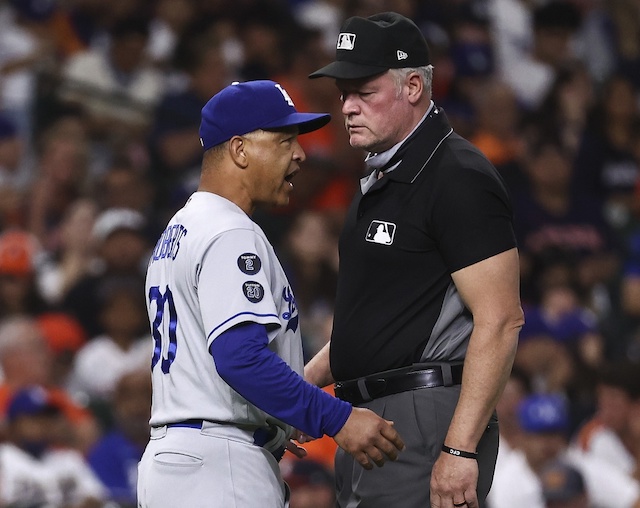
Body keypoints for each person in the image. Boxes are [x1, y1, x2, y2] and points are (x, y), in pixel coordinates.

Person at [136, 79, 405, 508]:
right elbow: (240, 358)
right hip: (219, 467)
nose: (300, 153)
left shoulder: (182, 227)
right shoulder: (230, 230)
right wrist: (336, 418)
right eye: (284, 141)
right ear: (240, 150)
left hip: (179, 462)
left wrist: (279, 414)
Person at [305, 12, 524, 508]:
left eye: (364, 91)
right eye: (344, 93)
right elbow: (375, 321)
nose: (348, 107)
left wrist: (459, 447)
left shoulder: (456, 174)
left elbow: (502, 319)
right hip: (367, 421)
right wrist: (301, 393)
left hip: (424, 420)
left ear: (412, 87)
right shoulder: (382, 178)